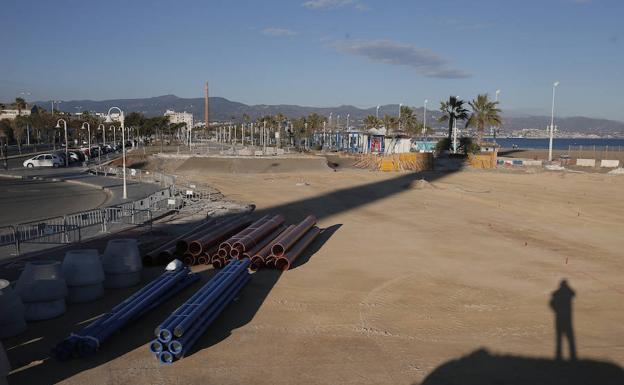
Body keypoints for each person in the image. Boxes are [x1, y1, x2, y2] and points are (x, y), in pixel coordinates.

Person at [550, 279, 577, 361]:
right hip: (567, 320)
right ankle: (572, 356)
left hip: (559, 319)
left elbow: (551, 304)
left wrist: (557, 310)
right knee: (570, 338)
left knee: (559, 338)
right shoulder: (568, 294)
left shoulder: (556, 294)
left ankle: (559, 355)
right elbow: (573, 293)